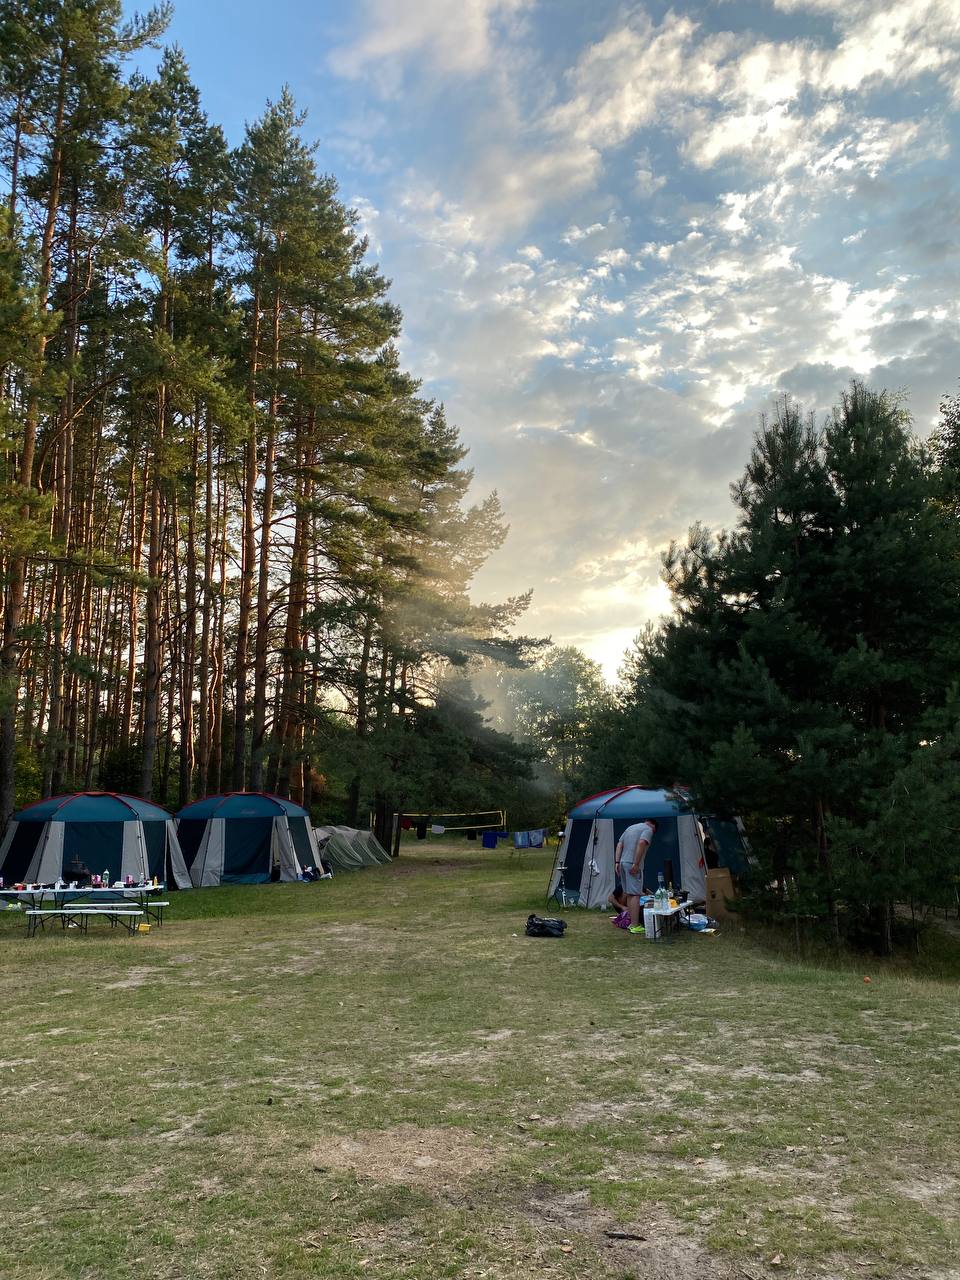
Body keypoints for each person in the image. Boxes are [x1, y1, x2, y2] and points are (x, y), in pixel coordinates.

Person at [614, 818, 658, 932]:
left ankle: (631, 923)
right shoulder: (648, 830)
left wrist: (617, 862)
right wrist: (636, 863)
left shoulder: (630, 828)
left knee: (629, 894)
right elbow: (642, 843)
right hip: (632, 864)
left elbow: (619, 844)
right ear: (653, 827)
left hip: (622, 863)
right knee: (635, 895)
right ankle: (635, 925)